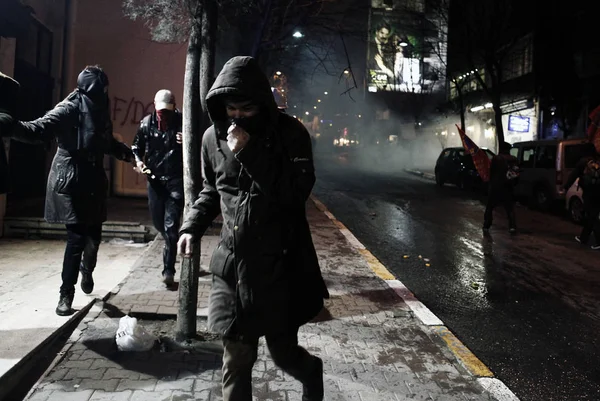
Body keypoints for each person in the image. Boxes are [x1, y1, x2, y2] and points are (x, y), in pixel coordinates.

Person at [177, 56, 329, 401]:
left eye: (246, 109)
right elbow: (212, 191)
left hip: (280, 265)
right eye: (231, 109)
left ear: (262, 103)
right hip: (232, 265)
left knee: (283, 352)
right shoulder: (211, 139)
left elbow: (294, 194)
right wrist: (191, 227)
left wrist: (249, 152)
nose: (238, 117)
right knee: (236, 356)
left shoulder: (291, 134)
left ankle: (311, 373)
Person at [13, 65, 134, 316]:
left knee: (94, 237)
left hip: (94, 180)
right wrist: (10, 125)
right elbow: (37, 129)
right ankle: (66, 293)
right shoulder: (69, 108)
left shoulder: (100, 110)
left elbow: (106, 141)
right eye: (101, 89)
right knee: (77, 238)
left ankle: (86, 270)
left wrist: (126, 153)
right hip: (71, 179)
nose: (104, 93)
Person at [132, 89, 183, 285]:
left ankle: (168, 270)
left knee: (171, 227)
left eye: (168, 111)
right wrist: (139, 162)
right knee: (159, 224)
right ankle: (169, 245)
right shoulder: (146, 124)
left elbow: (197, 145)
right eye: (161, 111)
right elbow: (136, 147)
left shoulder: (182, 122)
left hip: (175, 180)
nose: (164, 115)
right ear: (155, 107)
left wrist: (186, 139)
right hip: (154, 181)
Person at [564, 142, 600, 250]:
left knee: (592, 216)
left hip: (589, 193)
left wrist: (566, 187)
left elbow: (573, 175)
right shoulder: (597, 161)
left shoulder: (583, 162)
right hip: (599, 192)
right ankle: (584, 238)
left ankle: (599, 241)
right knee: (591, 216)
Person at [483, 141, 519, 233]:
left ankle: (487, 225)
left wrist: (489, 184)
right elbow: (517, 173)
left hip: (496, 186)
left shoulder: (496, 159)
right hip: (508, 187)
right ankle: (512, 226)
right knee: (509, 208)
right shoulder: (514, 159)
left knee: (490, 207)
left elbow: (492, 173)